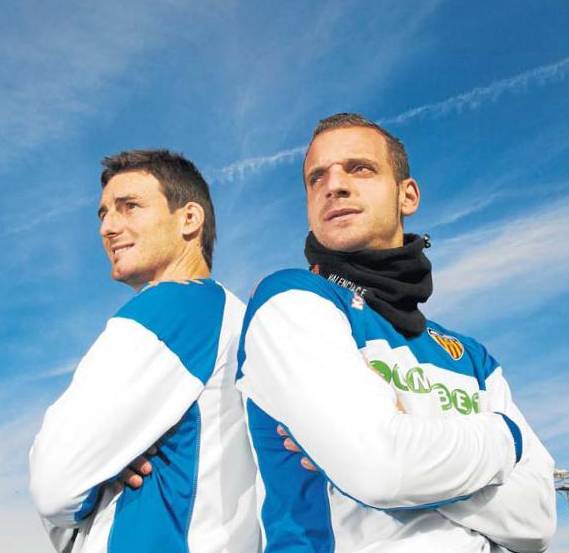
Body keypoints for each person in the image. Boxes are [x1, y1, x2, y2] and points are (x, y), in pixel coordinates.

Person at [236, 113, 556, 552]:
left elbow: (537, 517)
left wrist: (411, 445)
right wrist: (506, 438)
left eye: (360, 168)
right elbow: (381, 469)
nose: (334, 186)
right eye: (316, 178)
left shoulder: (471, 358)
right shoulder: (291, 300)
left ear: (407, 195)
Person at [29, 150, 259, 553]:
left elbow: (53, 485)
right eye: (103, 214)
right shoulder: (237, 319)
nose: (108, 227)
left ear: (189, 219)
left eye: (129, 206)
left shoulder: (174, 307)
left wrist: (98, 476)